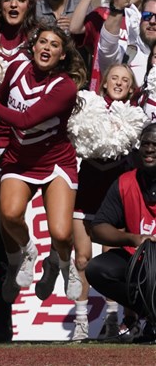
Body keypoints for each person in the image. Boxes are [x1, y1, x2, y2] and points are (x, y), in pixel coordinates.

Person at [0, 24, 87, 304]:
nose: (46, 48)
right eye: (43, 42)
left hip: (55, 162)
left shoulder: (65, 87)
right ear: (33, 46)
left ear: (62, 56)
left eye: (54, 45)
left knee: (61, 233)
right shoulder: (15, 69)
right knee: (9, 215)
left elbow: (24, 120)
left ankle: (60, 263)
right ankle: (27, 252)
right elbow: (2, 104)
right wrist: (0, 145)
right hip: (18, 160)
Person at [37, 63, 138, 342]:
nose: (118, 83)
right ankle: (81, 322)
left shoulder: (135, 115)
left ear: (131, 88)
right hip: (89, 185)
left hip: (117, 190)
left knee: (113, 261)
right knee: (82, 257)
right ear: (104, 83)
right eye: (114, 78)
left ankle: (113, 320)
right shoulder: (87, 104)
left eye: (125, 80)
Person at [86, 123, 156, 338]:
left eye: (155, 144)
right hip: (140, 257)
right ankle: (152, 315)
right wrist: (133, 238)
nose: (150, 149)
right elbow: (98, 227)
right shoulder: (126, 182)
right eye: (145, 143)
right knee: (97, 269)